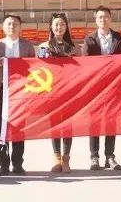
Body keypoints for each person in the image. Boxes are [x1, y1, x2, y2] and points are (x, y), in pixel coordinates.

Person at [0, 13, 35, 176]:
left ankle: (17, 163)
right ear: (3, 27)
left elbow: (34, 68)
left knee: (19, 127)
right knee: (1, 127)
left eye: (15, 24)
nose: (11, 27)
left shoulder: (28, 46)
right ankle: (3, 164)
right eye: (8, 24)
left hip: (20, 91)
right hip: (1, 90)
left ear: (20, 27)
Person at [81, 5, 121, 171]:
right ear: (96, 20)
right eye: (100, 17)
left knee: (111, 122)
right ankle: (94, 156)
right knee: (94, 122)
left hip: (113, 87)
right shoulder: (89, 39)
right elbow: (87, 64)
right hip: (95, 89)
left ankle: (110, 156)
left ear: (110, 18)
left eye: (106, 16)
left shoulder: (119, 38)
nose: (103, 19)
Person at [39, 13, 78, 173]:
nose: (59, 27)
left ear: (66, 27)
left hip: (69, 92)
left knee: (68, 126)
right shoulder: (44, 46)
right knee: (54, 125)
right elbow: (40, 70)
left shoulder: (74, 48)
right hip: (52, 92)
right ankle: (56, 157)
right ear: (51, 26)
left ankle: (66, 158)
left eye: (62, 24)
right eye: (56, 24)